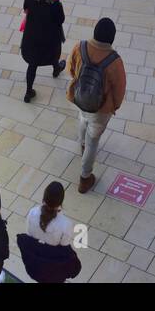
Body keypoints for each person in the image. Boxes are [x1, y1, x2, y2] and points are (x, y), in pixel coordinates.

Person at [67, 17, 126, 192]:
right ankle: (85, 178)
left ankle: (82, 145)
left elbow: (70, 68)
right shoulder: (114, 61)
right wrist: (113, 106)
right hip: (101, 109)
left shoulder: (81, 47)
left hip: (80, 99)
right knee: (93, 141)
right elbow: (119, 90)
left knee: (82, 119)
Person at [18, 181, 82, 283]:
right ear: (61, 202)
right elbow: (64, 248)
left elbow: (29, 236)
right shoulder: (65, 224)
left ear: (44, 197)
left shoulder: (32, 212)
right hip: (53, 269)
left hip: (36, 266)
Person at [20, 0, 67, 103]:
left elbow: (25, 8)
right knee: (53, 54)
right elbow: (61, 20)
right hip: (49, 39)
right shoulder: (55, 3)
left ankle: (28, 92)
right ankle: (56, 68)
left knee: (32, 64)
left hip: (32, 38)